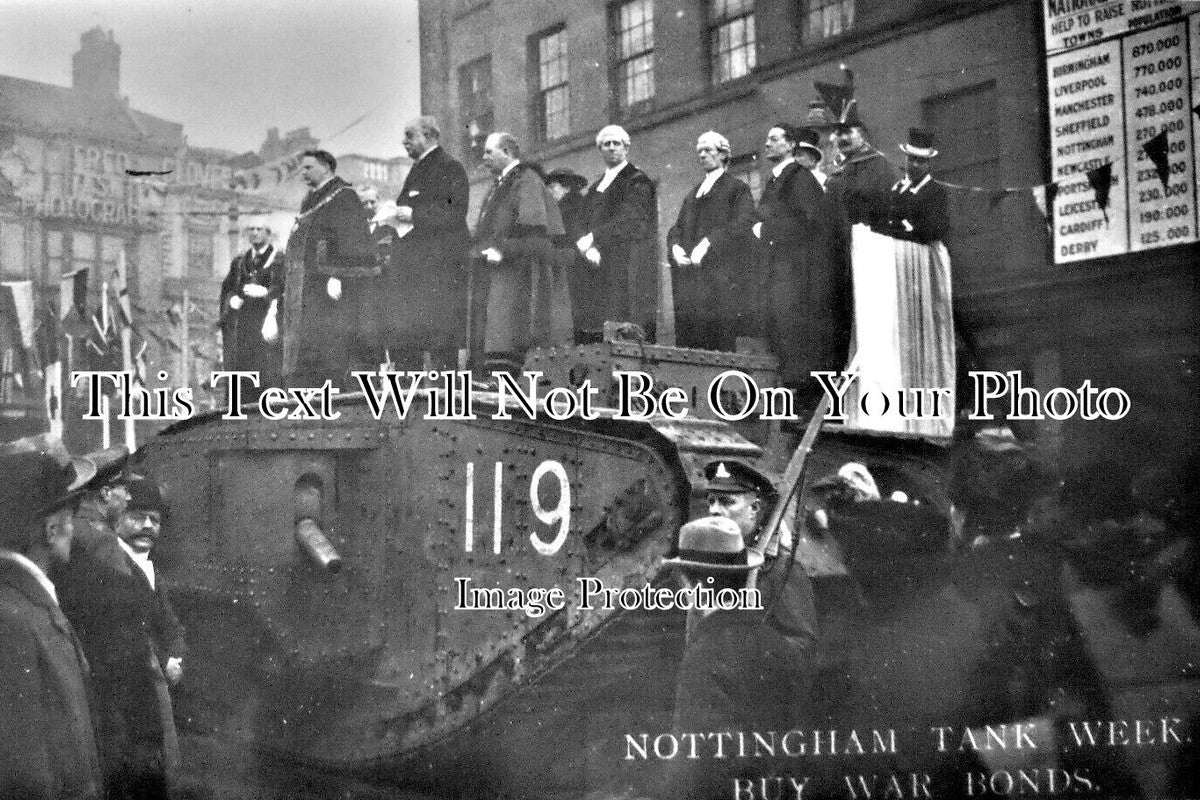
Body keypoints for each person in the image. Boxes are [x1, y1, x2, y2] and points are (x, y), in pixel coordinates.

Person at [659, 514, 810, 799]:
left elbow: (694, 769)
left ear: (698, 588)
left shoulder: (704, 657)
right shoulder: (780, 646)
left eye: (683, 581)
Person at [57, 473, 186, 800]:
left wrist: (174, 655)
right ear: (116, 520)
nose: (147, 526)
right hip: (120, 704)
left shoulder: (150, 569)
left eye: (154, 520)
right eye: (137, 517)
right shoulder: (109, 566)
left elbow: (170, 625)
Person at [0, 436, 103, 800]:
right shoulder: (12, 619)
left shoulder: (26, 602)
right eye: (70, 519)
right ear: (51, 530)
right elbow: (24, 773)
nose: (74, 529)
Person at [839, 128, 955, 438]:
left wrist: (903, 229)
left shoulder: (935, 192)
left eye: (920, 162)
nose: (914, 166)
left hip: (922, 263)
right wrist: (898, 227)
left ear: (928, 165)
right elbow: (886, 222)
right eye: (910, 160)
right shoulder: (899, 190)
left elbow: (932, 229)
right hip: (898, 262)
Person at [754, 123, 848, 398]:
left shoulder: (799, 178)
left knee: (796, 333)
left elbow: (809, 224)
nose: (768, 144)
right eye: (767, 139)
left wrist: (766, 230)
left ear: (790, 145)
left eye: (774, 139)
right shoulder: (776, 179)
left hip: (799, 273)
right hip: (780, 269)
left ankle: (803, 393)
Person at [274, 149, 379, 388]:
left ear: (326, 168)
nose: (303, 173)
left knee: (330, 345)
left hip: (329, 288)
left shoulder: (344, 197)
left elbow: (353, 239)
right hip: (307, 289)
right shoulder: (311, 200)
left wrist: (337, 274)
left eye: (308, 168)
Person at [472, 132, 568, 375]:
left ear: (506, 152)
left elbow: (534, 233)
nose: (483, 158)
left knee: (509, 337)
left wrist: (502, 250)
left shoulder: (527, 180)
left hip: (519, 275)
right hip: (500, 271)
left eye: (488, 152)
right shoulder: (501, 184)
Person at [701, 459, 818, 651]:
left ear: (754, 509)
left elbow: (802, 648)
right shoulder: (709, 561)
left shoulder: (780, 569)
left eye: (726, 502)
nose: (714, 510)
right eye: (711, 501)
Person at [387, 116, 471, 369]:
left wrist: (413, 214)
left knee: (441, 340)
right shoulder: (418, 169)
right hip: (415, 270)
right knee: (409, 338)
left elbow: (455, 212)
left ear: (428, 136)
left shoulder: (449, 167)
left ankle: (447, 402)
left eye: (409, 135)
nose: (404, 142)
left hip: (439, 270)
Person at [665, 131, 756, 351]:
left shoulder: (737, 188)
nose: (703, 155)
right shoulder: (694, 193)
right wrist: (675, 247)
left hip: (720, 279)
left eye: (708, 150)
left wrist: (708, 243)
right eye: (700, 151)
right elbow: (677, 228)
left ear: (724, 155)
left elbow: (743, 224)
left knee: (718, 340)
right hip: (692, 281)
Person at [574, 125, 658, 341]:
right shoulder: (595, 187)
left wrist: (594, 238)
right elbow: (582, 221)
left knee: (622, 323)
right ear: (600, 149)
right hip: (596, 264)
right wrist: (589, 247)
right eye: (606, 144)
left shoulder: (636, 180)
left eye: (616, 144)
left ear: (626, 148)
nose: (611, 148)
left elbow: (632, 220)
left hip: (625, 262)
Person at [219, 215, 284, 387]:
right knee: (242, 384)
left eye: (259, 229)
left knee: (266, 382)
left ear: (268, 234)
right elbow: (228, 289)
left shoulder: (280, 261)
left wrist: (266, 293)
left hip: (267, 335)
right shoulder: (239, 263)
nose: (254, 233)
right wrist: (231, 299)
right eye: (251, 229)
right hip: (243, 335)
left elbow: (287, 291)